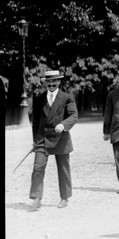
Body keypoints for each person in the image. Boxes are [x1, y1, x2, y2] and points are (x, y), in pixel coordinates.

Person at [29, 70, 78, 210]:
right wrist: (35, 141)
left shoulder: (67, 97)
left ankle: (64, 197)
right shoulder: (39, 99)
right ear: (46, 82)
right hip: (42, 139)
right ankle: (37, 198)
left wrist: (63, 125)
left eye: (54, 81)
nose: (51, 84)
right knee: (38, 167)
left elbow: (74, 116)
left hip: (61, 138)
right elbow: (35, 123)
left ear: (59, 82)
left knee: (63, 169)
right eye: (49, 81)